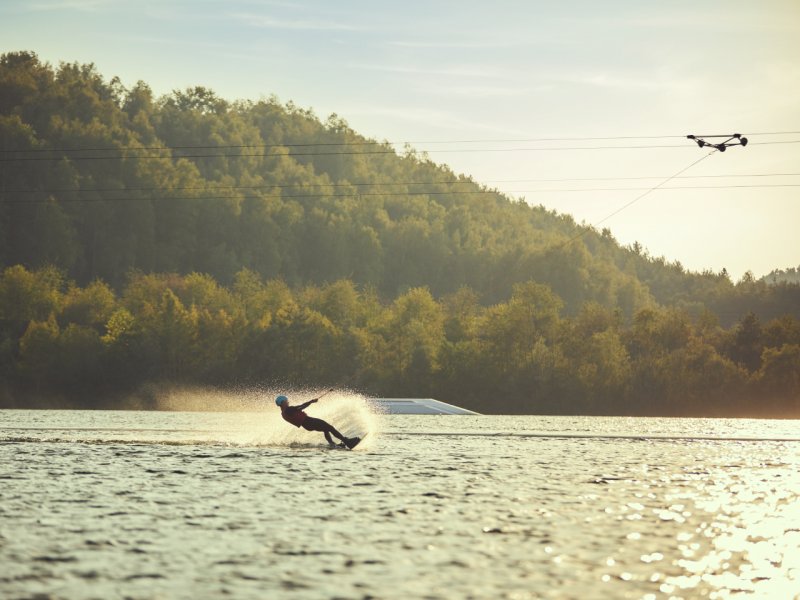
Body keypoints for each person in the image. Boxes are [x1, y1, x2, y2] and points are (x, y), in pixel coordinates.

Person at [275, 394, 359, 448]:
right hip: (308, 421)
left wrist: (310, 402)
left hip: (307, 425)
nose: (288, 402)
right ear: (282, 402)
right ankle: (347, 442)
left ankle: (332, 444)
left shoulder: (283, 413)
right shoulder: (288, 410)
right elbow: (301, 407)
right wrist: (311, 402)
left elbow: (299, 408)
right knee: (330, 427)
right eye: (286, 401)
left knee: (326, 429)